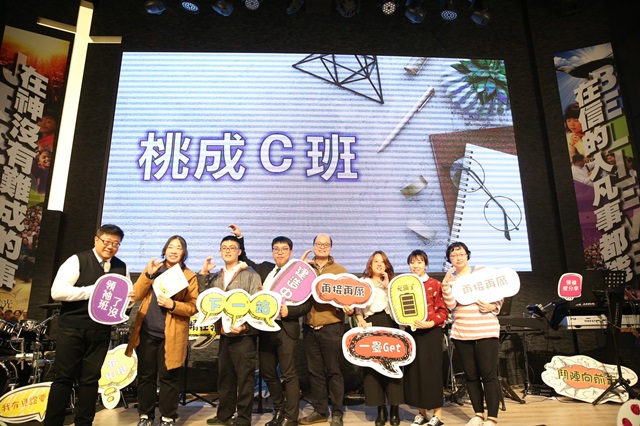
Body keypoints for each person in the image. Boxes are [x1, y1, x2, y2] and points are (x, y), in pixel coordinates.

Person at [44, 224, 128, 426]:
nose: (110, 247)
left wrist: (129, 301)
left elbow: (122, 299)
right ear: (96, 240)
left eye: (116, 243)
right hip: (72, 328)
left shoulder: (121, 267)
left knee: (91, 380)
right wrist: (93, 290)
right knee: (63, 378)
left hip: (100, 330)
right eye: (107, 241)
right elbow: (57, 292)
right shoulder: (77, 260)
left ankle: (84, 422)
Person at [230, 224, 311, 426]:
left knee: (289, 374)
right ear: (272, 251)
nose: (280, 253)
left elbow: (307, 304)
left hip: (286, 329)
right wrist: (239, 238)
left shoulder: (297, 273)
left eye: (284, 249)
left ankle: (291, 417)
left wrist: (289, 311)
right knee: (267, 372)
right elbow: (245, 259)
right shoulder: (266, 268)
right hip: (265, 329)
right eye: (276, 249)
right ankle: (279, 411)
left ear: (291, 252)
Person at [125, 235, 198, 426]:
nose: (174, 251)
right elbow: (136, 294)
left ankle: (167, 417)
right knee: (145, 376)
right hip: (147, 332)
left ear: (184, 252)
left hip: (172, 335)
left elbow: (193, 307)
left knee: (169, 378)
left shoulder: (188, 275)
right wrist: (148, 275)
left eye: (178, 247)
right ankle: (145, 416)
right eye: (170, 247)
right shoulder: (154, 269)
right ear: (165, 250)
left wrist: (173, 305)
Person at [198, 235, 262, 426]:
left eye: (232, 247)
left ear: (239, 251)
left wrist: (245, 326)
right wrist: (204, 274)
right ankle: (224, 416)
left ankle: (243, 419)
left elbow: (257, 305)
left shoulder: (251, 274)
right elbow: (204, 299)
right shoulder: (217, 276)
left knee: (245, 380)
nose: (227, 250)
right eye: (224, 247)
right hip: (225, 334)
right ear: (220, 251)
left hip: (244, 336)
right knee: (225, 377)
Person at [441, 242, 503, 426]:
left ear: (467, 255)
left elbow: (500, 290)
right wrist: (445, 287)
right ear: (449, 259)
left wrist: (494, 306)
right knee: (471, 375)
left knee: (489, 375)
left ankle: (492, 418)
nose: (458, 257)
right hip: (462, 331)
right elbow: (451, 305)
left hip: (486, 330)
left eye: (461, 253)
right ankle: (478, 414)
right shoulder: (450, 277)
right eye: (453, 255)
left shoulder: (481, 271)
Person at [299, 234, 353, 426]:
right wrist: (299, 267)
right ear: (313, 246)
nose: (322, 247)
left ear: (331, 248)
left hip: (331, 328)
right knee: (315, 372)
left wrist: (350, 308)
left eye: (326, 244)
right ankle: (320, 411)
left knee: (334, 371)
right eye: (318, 244)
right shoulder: (305, 269)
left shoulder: (340, 271)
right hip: (309, 328)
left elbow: (349, 299)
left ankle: (337, 413)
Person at [354, 251, 403, 426]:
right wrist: (360, 319)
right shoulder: (363, 282)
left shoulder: (392, 282)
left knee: (393, 366)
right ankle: (380, 410)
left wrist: (388, 286)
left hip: (390, 323)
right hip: (370, 324)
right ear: (370, 264)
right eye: (376, 261)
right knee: (373, 368)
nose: (379, 264)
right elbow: (357, 307)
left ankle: (395, 409)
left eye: (383, 262)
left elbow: (398, 306)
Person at [403, 250, 449, 426]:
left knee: (432, 372)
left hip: (431, 333)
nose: (415, 266)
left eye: (419, 262)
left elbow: (443, 311)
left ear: (426, 265)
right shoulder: (405, 285)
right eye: (412, 262)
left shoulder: (435, 284)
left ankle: (438, 415)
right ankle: (421, 413)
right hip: (413, 333)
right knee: (416, 373)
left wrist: (430, 323)